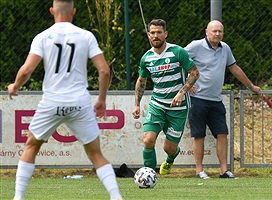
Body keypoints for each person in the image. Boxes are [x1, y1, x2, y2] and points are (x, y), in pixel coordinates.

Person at [8, 1, 122, 199]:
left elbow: (27, 70)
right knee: (95, 154)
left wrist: (15, 86)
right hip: (79, 102)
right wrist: (102, 99)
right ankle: (116, 197)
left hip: (52, 102)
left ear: (52, 11)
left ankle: (18, 197)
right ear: (74, 11)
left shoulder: (42, 37)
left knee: (31, 146)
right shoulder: (86, 36)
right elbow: (104, 71)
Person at [185, 20, 261, 179]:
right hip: (197, 99)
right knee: (199, 135)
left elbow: (235, 69)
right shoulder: (195, 46)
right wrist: (185, 85)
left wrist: (251, 87)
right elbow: (179, 61)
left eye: (220, 31)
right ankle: (199, 171)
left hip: (216, 100)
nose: (217, 34)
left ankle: (224, 171)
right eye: (214, 31)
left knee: (222, 134)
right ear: (206, 31)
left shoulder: (225, 48)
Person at [132, 19, 200, 175]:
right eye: (153, 33)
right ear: (149, 35)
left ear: (165, 34)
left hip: (178, 108)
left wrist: (181, 93)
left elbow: (195, 73)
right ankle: (148, 174)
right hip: (157, 105)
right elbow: (141, 81)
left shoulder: (178, 52)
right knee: (148, 139)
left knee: (168, 148)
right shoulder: (146, 58)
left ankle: (170, 159)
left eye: (159, 32)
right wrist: (136, 104)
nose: (156, 36)